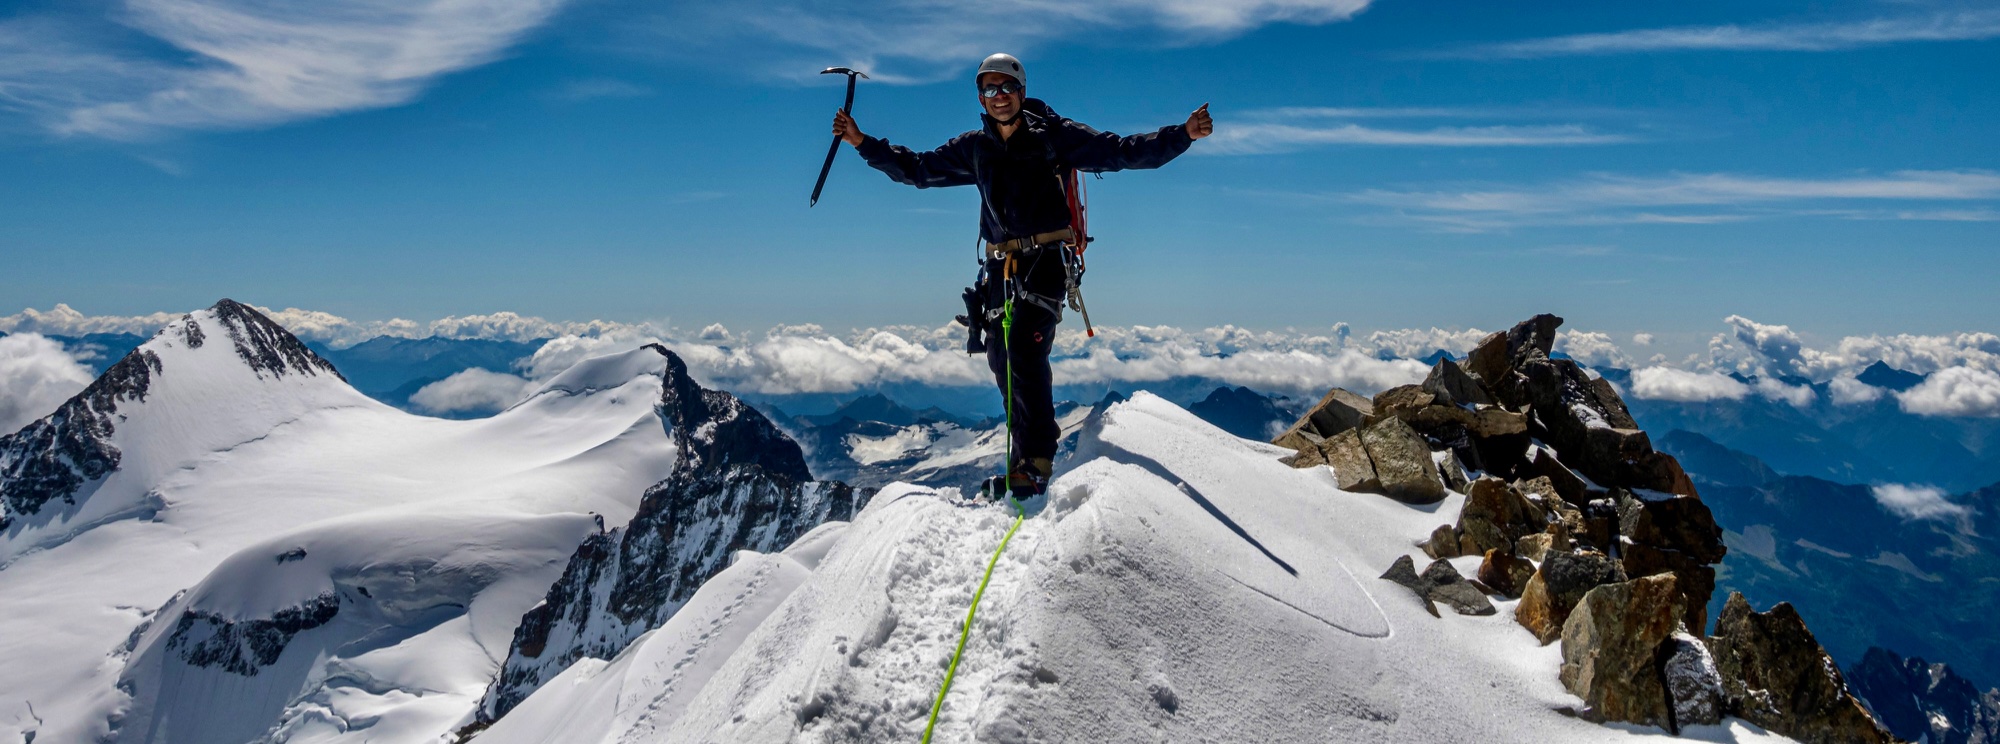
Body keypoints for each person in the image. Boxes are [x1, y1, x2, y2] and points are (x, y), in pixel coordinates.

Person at [832, 53, 1212, 499]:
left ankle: (1038, 459)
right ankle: (1022, 460)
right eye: (989, 89)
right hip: (998, 270)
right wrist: (862, 142)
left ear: (1021, 90)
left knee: (1023, 348)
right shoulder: (975, 148)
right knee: (1000, 357)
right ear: (980, 96)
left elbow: (1120, 151)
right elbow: (917, 169)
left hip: (1046, 263)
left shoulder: (1056, 138)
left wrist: (1182, 135)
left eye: (1005, 87)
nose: (998, 96)